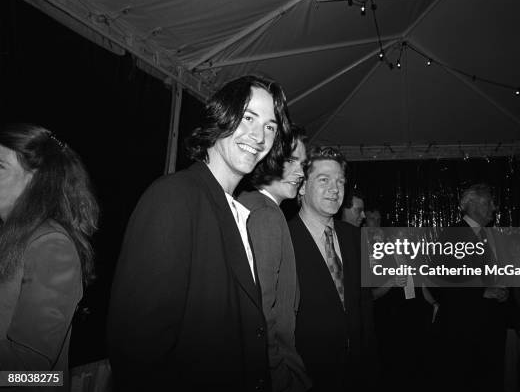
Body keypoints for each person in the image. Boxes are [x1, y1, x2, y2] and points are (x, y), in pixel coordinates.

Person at [107, 75, 292, 392]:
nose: (259, 136)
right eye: (248, 118)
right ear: (223, 116)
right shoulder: (175, 196)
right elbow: (137, 347)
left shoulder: (234, 210)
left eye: (270, 126)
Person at [0, 124, 99, 391]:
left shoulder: (52, 246)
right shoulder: (11, 237)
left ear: (36, 180)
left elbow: (34, 374)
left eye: (0, 167)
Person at [288, 147, 377, 392]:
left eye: (340, 181)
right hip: (306, 376)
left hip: (355, 373)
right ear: (303, 186)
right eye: (324, 180)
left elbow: (364, 305)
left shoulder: (354, 238)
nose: (335, 189)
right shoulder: (284, 239)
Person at [237, 126, 310, 392]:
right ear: (268, 157)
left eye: (302, 164)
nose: (301, 174)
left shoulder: (249, 203)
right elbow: (260, 316)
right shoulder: (265, 214)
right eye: (290, 161)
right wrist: (281, 376)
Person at [428, 183, 507, 392]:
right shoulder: (454, 234)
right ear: (476, 205)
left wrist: (499, 288)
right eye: (490, 203)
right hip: (463, 330)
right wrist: (482, 292)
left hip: (482, 328)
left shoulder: (485, 234)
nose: (494, 208)